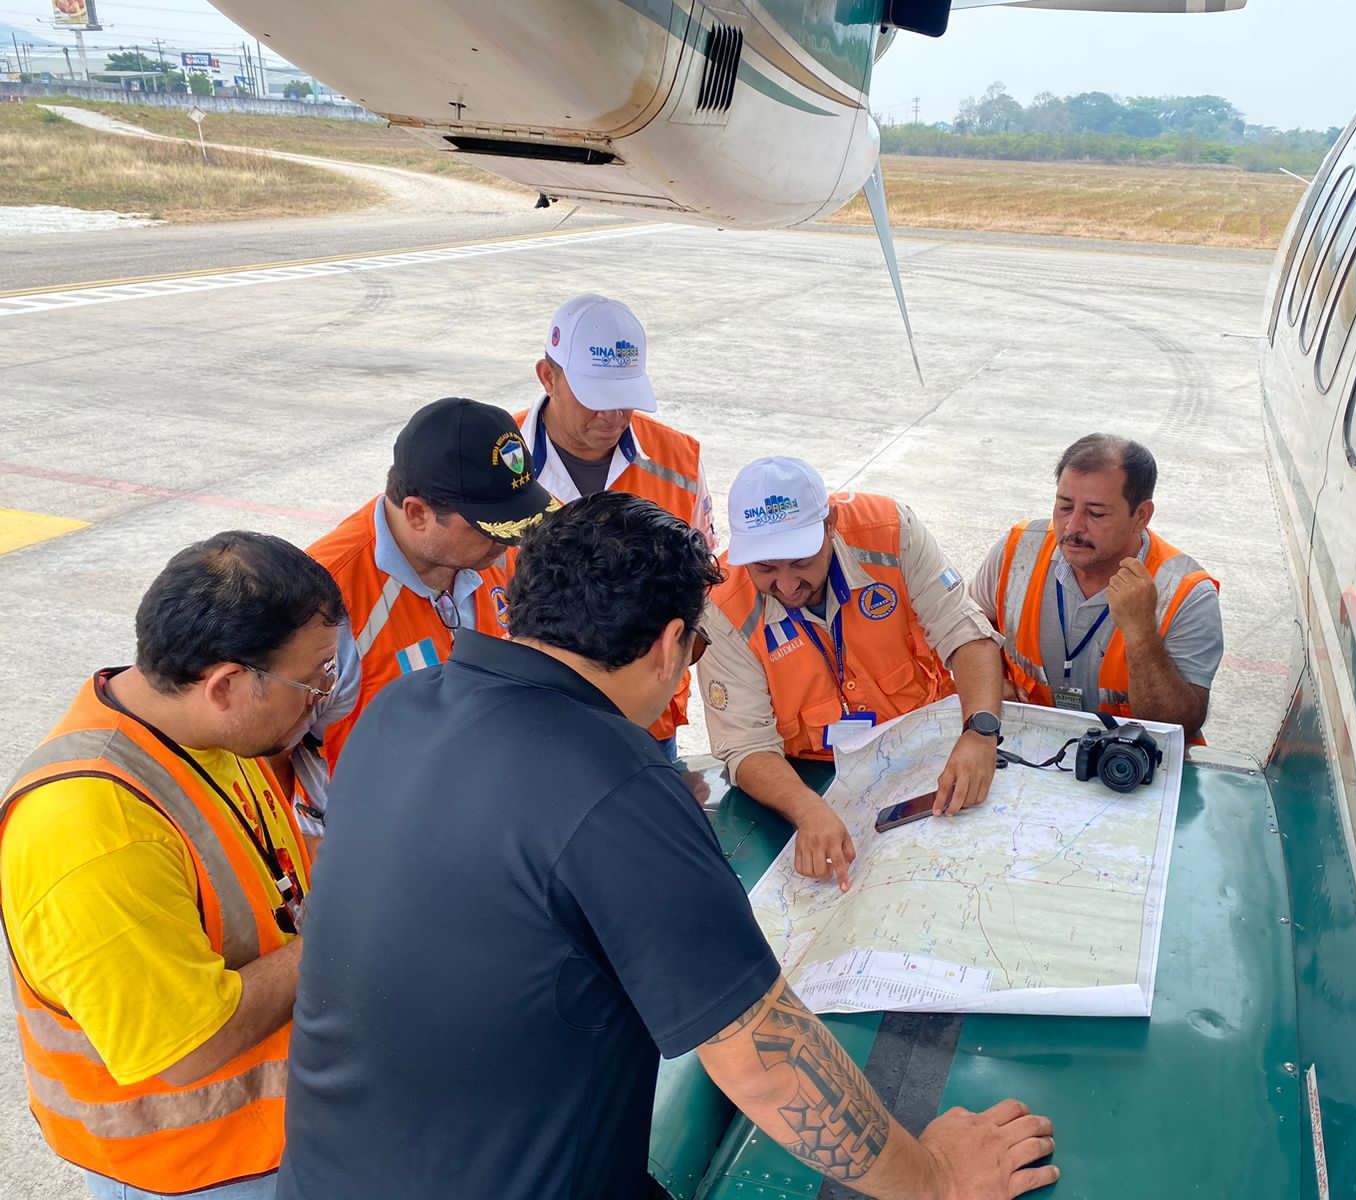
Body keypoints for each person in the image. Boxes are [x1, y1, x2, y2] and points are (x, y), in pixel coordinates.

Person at [276, 493, 1057, 1200]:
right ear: (669, 643)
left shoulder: (398, 709)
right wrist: (937, 1180)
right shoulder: (614, 789)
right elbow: (759, 1059)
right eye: (696, 651)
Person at [0, 532, 345, 1199]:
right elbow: (189, 1048)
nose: (322, 697)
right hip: (194, 1172)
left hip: (271, 1143)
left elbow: (264, 872)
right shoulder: (92, 831)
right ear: (225, 684)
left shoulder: (207, 737)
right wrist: (347, 930)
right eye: (313, 678)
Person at [698, 457, 1005, 890]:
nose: (786, 586)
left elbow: (966, 633)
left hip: (924, 754)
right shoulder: (721, 604)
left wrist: (980, 731)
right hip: (808, 774)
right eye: (765, 568)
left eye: (800, 561)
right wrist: (806, 809)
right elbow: (746, 746)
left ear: (831, 525)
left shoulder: (891, 532)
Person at [286, 397, 555, 835]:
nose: (508, 544)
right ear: (417, 513)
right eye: (490, 527)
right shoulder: (320, 601)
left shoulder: (496, 558)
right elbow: (275, 756)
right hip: (372, 847)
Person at [512, 293, 715, 756]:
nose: (613, 417)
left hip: (647, 721)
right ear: (549, 377)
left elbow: (702, 584)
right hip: (534, 721)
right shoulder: (499, 461)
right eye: (596, 398)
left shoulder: (679, 460)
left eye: (624, 398)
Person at [972, 434, 1221, 742]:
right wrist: (990, 681)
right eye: (1064, 506)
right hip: (1030, 749)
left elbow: (1179, 726)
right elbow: (967, 626)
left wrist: (1141, 635)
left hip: (1133, 765)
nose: (1073, 527)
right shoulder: (1018, 550)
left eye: (1096, 513)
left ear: (1141, 516)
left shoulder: (1186, 593)